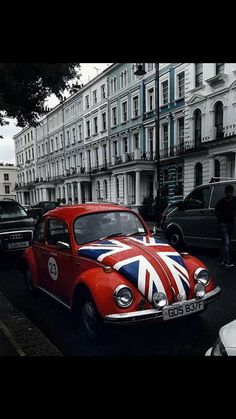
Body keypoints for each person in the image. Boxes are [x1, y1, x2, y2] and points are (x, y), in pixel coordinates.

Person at [215, 184, 236, 268]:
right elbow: (216, 211)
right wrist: (221, 219)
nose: (229, 194)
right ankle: (227, 262)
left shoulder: (235, 200)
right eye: (228, 192)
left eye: (231, 192)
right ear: (225, 193)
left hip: (231, 224)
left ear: (232, 192)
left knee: (224, 243)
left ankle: (220, 259)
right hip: (223, 224)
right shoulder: (221, 202)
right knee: (226, 243)